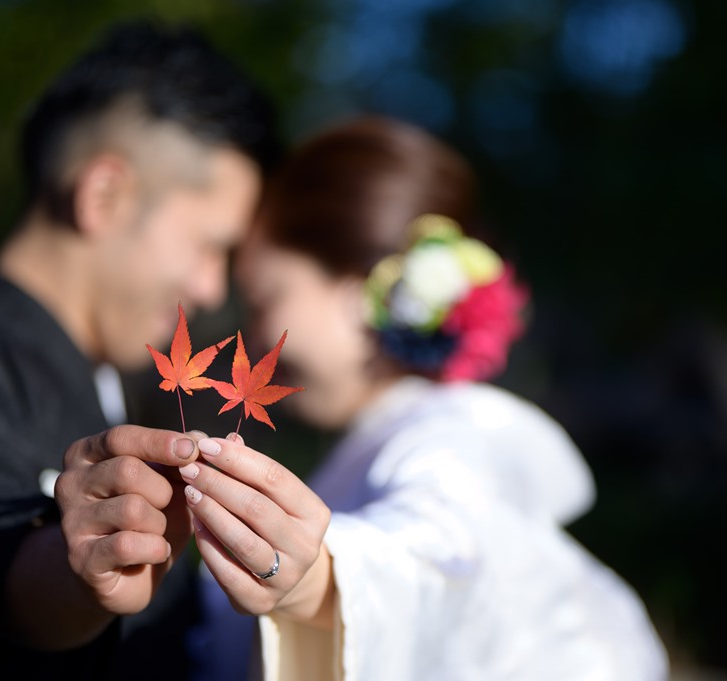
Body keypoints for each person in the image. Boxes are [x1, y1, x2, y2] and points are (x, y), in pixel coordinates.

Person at [0, 18, 328, 680]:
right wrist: (77, 570)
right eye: (211, 246)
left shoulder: (117, 387)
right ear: (104, 195)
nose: (209, 287)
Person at [183, 115, 671, 680]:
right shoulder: (386, 439)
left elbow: (441, 553)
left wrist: (322, 582)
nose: (257, 333)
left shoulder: (457, 434)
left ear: (362, 291)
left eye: (267, 298)